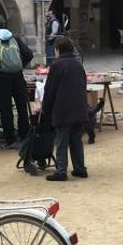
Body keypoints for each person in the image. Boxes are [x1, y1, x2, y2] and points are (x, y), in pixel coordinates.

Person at [0, 15, 34, 150]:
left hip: (1, 78)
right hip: (17, 76)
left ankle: (10, 139)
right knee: (21, 106)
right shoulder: (14, 38)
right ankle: (25, 136)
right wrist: (19, 65)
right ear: (4, 25)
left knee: (6, 109)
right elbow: (29, 54)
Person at [42, 37, 89, 182]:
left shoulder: (57, 65)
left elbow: (50, 90)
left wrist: (45, 108)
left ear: (58, 50)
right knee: (76, 140)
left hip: (62, 109)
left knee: (61, 141)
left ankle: (61, 170)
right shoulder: (78, 65)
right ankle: (80, 168)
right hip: (79, 108)